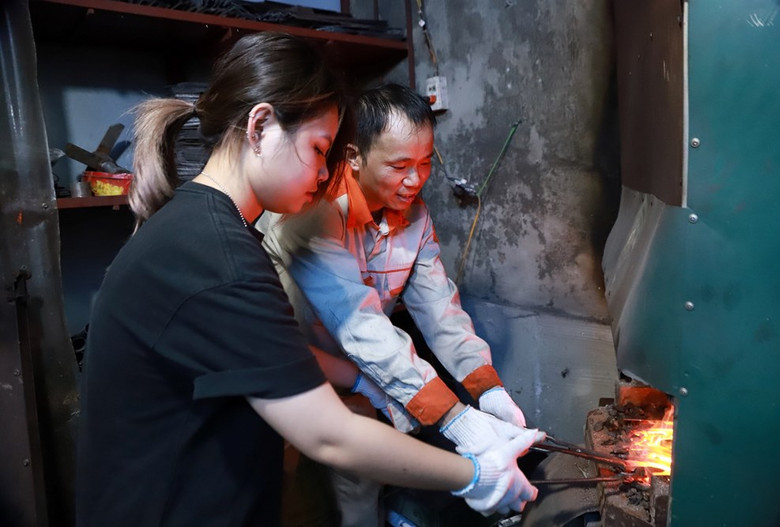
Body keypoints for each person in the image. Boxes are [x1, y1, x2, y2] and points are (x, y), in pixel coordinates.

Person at [74, 33, 545, 527]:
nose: (325, 174)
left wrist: (471, 390)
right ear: (260, 126)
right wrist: (474, 471)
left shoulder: (210, 232)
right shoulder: (220, 255)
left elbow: (277, 352)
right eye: (320, 150)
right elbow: (331, 434)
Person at [261, 83, 533, 526]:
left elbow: (439, 308)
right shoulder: (312, 214)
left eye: (425, 164)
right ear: (353, 156)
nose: (415, 179)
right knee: (319, 481)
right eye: (399, 165)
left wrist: (489, 389)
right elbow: (358, 322)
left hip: (368, 362)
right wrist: (456, 420)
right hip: (296, 364)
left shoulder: (415, 216)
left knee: (368, 470)